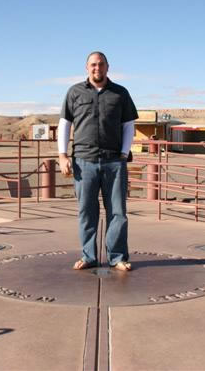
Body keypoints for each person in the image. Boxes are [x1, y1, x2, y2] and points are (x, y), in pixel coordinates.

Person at [58, 51, 138, 272]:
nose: (97, 68)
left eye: (101, 64)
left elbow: (128, 125)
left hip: (114, 162)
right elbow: (65, 123)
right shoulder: (74, 92)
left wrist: (124, 153)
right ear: (87, 67)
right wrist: (62, 155)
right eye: (93, 64)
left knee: (117, 212)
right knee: (87, 211)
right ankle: (89, 256)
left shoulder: (120, 93)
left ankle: (117, 257)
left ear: (107, 67)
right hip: (84, 161)